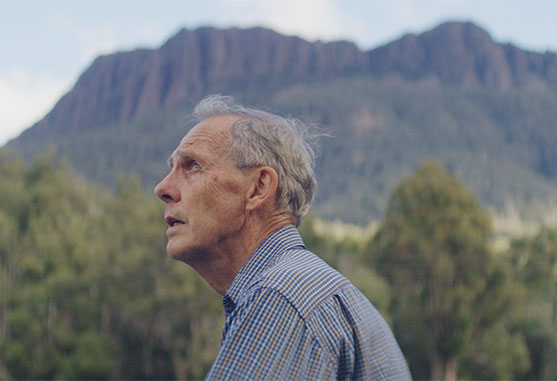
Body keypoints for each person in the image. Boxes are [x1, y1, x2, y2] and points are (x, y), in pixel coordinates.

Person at [154, 95, 411, 380]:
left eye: (193, 166)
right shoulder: (302, 288)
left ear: (258, 188)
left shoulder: (280, 298)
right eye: (172, 168)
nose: (163, 188)